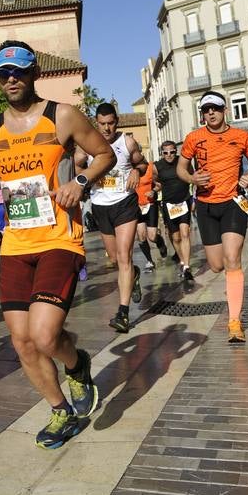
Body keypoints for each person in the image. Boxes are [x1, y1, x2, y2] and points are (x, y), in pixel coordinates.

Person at [0, 41, 115, 450]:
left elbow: (104, 155)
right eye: (3, 73)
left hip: (58, 238)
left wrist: (80, 183)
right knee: (22, 341)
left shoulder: (62, 115)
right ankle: (60, 410)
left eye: (18, 71)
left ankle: (77, 362)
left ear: (34, 73)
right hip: (15, 244)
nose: (11, 79)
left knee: (46, 335)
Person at [177, 90, 248, 344]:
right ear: (202, 114)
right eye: (206, 110)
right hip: (205, 206)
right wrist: (192, 178)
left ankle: (235, 321)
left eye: (215, 108)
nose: (210, 113)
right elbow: (181, 167)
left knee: (232, 259)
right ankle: (231, 284)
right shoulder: (194, 138)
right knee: (216, 264)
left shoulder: (241, 136)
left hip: (233, 203)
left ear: (224, 110)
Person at [84, 104, 148, 334]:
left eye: (111, 123)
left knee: (123, 256)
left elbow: (142, 163)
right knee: (114, 258)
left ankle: (123, 313)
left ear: (117, 121)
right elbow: (77, 166)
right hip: (100, 206)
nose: (107, 128)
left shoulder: (127, 142)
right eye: (102, 124)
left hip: (125, 204)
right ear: (96, 122)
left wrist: (135, 171)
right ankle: (135, 274)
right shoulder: (88, 144)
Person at [154, 140, 194, 284]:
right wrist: (153, 190)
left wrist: (194, 199)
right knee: (176, 238)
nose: (169, 155)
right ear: (162, 153)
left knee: (185, 233)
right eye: (166, 153)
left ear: (175, 151)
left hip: (184, 202)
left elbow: (192, 177)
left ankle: (187, 267)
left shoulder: (183, 163)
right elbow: (155, 182)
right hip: (169, 205)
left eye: (172, 152)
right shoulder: (157, 167)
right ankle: (182, 260)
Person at [134, 161, 166, 272]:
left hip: (150, 205)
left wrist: (153, 191)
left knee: (152, 237)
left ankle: (160, 243)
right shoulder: (128, 169)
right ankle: (149, 261)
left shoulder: (150, 168)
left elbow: (160, 184)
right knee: (141, 236)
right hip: (136, 207)